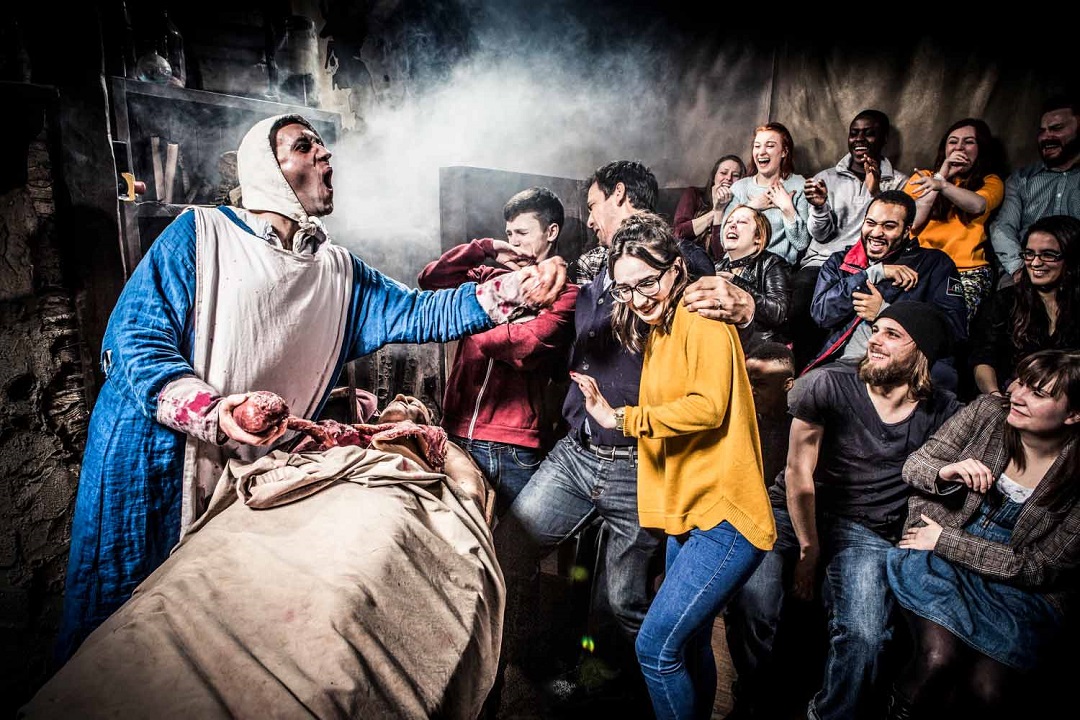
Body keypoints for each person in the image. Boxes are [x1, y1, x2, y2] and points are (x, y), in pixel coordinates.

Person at [58, 113, 567, 662]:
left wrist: (516, 289)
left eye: (324, 146)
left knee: (211, 632)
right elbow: (134, 340)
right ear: (265, 170)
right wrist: (215, 411)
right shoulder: (201, 236)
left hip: (250, 467)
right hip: (157, 458)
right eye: (305, 146)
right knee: (122, 631)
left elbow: (420, 311)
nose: (325, 155)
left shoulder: (337, 271)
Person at [492, 160, 756, 712]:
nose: (589, 219)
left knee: (624, 603)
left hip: (639, 460)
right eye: (627, 288)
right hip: (578, 451)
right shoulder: (599, 268)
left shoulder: (684, 273)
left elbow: (717, 331)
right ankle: (520, 666)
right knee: (510, 550)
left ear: (619, 196)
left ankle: (621, 693)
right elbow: (567, 284)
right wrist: (549, 268)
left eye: (593, 207)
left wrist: (750, 304)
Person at [569, 212, 776, 720]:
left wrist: (620, 418)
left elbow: (708, 407)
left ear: (676, 269)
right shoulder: (658, 329)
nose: (639, 299)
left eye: (648, 282)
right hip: (692, 513)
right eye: (625, 289)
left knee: (655, 649)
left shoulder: (698, 315)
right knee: (690, 643)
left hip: (724, 515)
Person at [724, 301, 962, 720]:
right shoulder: (828, 383)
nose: (875, 341)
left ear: (922, 352)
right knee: (752, 601)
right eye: (877, 330)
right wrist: (809, 550)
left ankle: (829, 714)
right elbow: (798, 473)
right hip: (791, 511)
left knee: (866, 635)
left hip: (866, 529)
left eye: (892, 334)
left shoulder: (943, 410)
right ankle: (756, 696)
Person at [885, 348, 1080, 720]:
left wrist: (945, 541)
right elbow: (916, 465)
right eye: (1020, 382)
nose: (1017, 395)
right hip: (942, 555)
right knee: (938, 660)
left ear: (1074, 414)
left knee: (987, 691)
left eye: (1038, 393)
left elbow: (1038, 567)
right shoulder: (989, 412)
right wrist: (947, 472)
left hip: (1019, 590)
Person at [417, 187, 579, 517]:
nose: (514, 242)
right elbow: (431, 279)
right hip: (456, 432)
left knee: (515, 545)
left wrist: (465, 317)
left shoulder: (567, 293)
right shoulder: (490, 278)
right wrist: (484, 248)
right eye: (508, 234)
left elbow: (521, 345)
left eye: (522, 233)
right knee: (457, 538)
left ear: (551, 232)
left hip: (513, 447)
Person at [803, 190, 967, 391]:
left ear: (907, 231)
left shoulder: (935, 264)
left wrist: (884, 313)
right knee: (803, 390)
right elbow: (822, 314)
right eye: (870, 223)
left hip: (902, 369)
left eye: (889, 226)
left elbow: (954, 331)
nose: (876, 233)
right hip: (845, 366)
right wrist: (873, 273)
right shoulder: (840, 262)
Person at [794, 110, 908, 371]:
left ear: (883, 139)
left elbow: (890, 229)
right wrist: (819, 206)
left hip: (869, 263)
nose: (860, 139)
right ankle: (802, 372)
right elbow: (820, 235)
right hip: (824, 261)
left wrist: (875, 191)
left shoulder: (899, 182)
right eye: (854, 133)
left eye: (869, 133)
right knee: (801, 303)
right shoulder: (826, 178)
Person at [904, 118, 1004, 324]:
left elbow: (977, 205)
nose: (959, 148)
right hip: (919, 267)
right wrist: (941, 176)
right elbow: (913, 221)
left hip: (966, 271)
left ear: (980, 148)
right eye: (953, 142)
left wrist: (943, 186)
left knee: (947, 323)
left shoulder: (990, 181)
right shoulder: (923, 177)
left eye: (969, 142)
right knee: (904, 320)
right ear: (944, 149)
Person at [970, 215, 1080, 395]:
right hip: (1009, 397)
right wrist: (994, 395)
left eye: (1048, 255)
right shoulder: (1003, 301)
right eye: (1029, 254)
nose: (1035, 263)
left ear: (1071, 258)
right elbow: (983, 359)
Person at [989, 95, 1080, 284]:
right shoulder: (1020, 179)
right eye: (1042, 131)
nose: (1046, 137)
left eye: (1056, 128)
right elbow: (1002, 227)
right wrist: (1018, 269)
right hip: (1027, 270)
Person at [724, 122, 810, 267]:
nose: (761, 152)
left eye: (770, 146)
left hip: (775, 268)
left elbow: (801, 243)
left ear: (784, 152)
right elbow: (724, 240)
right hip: (737, 266)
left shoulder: (799, 185)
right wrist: (750, 208)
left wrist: (787, 209)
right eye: (757, 146)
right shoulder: (739, 188)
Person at [714, 204, 792, 345]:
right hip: (724, 344)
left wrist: (736, 283)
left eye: (742, 222)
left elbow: (778, 313)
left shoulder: (772, 263)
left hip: (761, 346)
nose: (732, 225)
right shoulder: (717, 267)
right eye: (729, 221)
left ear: (759, 237)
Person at [672, 154, 748, 259]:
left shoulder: (740, 209)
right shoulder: (694, 194)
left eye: (735, 175)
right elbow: (678, 232)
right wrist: (715, 211)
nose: (728, 178)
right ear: (714, 177)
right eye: (723, 173)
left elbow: (720, 255)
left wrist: (720, 213)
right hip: (688, 260)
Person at [744, 341, 795, 488]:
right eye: (747, 383)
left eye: (761, 384)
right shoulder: (739, 425)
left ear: (787, 384)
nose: (751, 391)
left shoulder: (799, 431)